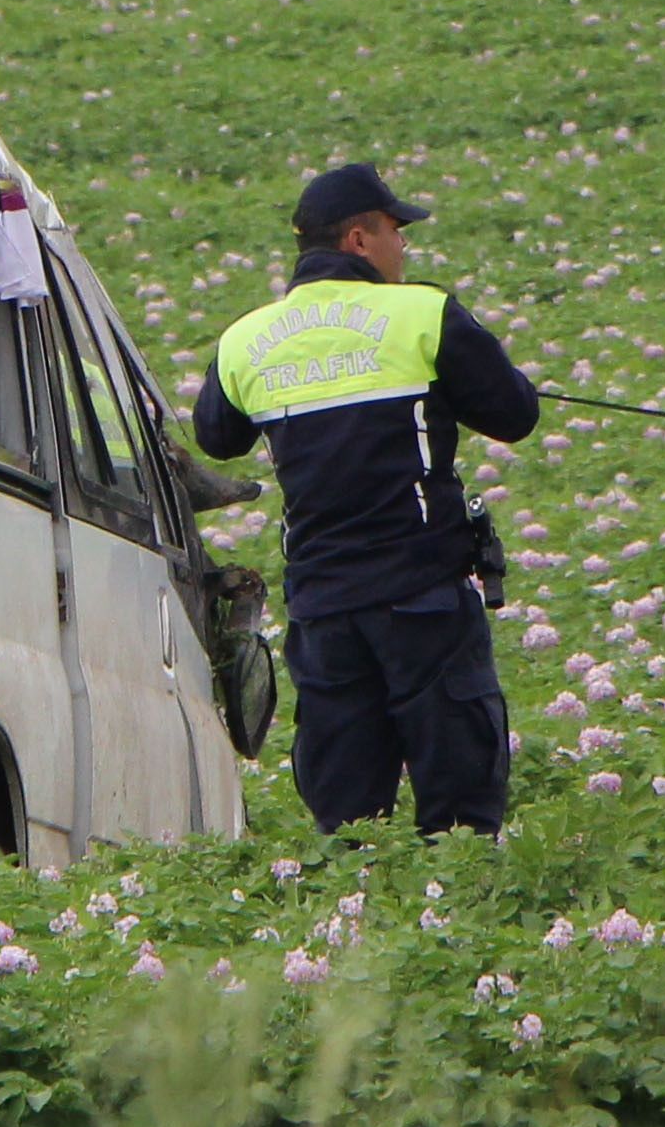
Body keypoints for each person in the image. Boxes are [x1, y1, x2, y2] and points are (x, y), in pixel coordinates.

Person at [189, 163, 540, 836]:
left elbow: (218, 436)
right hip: (424, 598)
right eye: (394, 231)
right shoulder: (422, 313)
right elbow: (515, 412)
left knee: (347, 819)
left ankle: (355, 924)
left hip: (324, 609)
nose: (402, 247)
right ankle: (458, 918)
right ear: (358, 240)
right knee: (462, 811)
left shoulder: (244, 340)